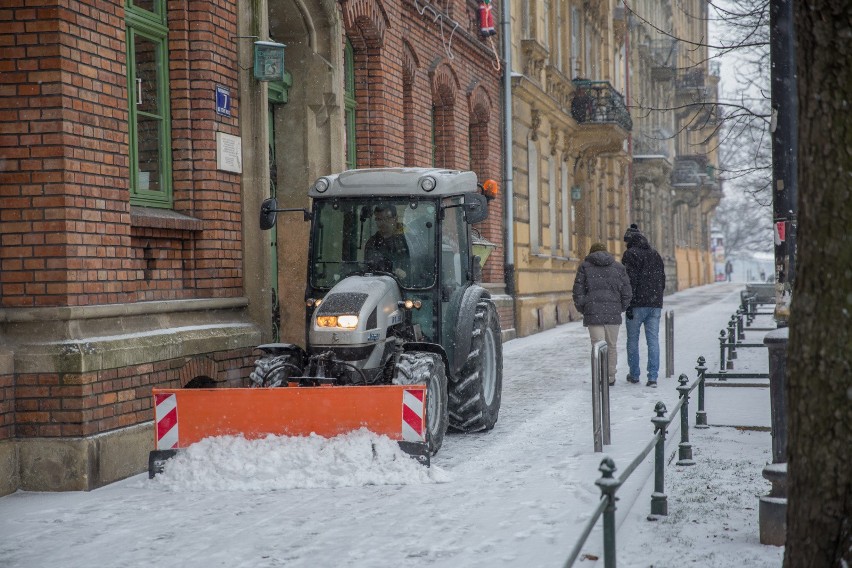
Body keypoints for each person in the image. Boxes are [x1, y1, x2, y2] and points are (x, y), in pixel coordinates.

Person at [572, 242, 632, 386]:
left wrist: (585, 308)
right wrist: (620, 307)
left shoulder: (584, 267)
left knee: (597, 347)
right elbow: (627, 292)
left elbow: (578, 292)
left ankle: (599, 376)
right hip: (613, 314)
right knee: (611, 346)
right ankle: (610, 377)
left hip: (593, 314)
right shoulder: (618, 267)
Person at [622, 224, 666, 387]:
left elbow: (629, 281)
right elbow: (662, 279)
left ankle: (634, 374)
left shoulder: (630, 255)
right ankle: (653, 376)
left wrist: (628, 303)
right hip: (655, 304)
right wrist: (657, 298)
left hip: (637, 304)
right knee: (653, 340)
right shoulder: (655, 254)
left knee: (633, 340)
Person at [364, 204, 410, 279]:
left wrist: (405, 274)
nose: (383, 222)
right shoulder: (372, 243)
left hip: (403, 287)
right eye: (379, 219)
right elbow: (369, 269)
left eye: (387, 218)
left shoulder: (406, 240)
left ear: (395, 219)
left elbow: (413, 266)